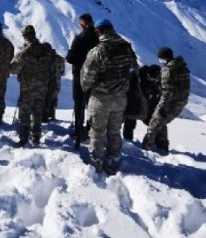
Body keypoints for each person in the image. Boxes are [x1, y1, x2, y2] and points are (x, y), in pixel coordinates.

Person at [81, 19, 137, 174]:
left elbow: (86, 79)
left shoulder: (98, 51)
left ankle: (96, 162)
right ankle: (113, 159)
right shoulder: (126, 47)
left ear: (99, 32)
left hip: (101, 99)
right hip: (120, 99)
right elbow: (134, 68)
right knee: (114, 130)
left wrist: (88, 88)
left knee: (97, 132)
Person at [142, 47, 190, 156]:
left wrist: (162, 107)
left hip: (170, 102)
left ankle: (146, 150)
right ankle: (163, 148)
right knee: (161, 123)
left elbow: (167, 92)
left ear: (164, 58)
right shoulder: (182, 67)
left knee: (153, 124)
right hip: (181, 101)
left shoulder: (168, 71)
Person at [10, 25, 52, 146]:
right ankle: (36, 136)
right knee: (38, 111)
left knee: (25, 111)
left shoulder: (24, 53)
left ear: (24, 36)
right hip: (42, 86)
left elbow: (14, 69)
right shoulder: (46, 50)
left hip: (27, 86)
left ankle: (24, 137)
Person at [66, 14, 99, 149]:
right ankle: (91, 129)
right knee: (92, 105)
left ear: (82, 24)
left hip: (80, 75)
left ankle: (78, 130)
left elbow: (70, 58)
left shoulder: (79, 38)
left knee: (79, 103)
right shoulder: (99, 39)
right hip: (96, 78)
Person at [122, 65, 161, 140]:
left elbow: (155, 90)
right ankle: (126, 140)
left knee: (151, 122)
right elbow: (126, 87)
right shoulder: (136, 75)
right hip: (131, 101)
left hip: (143, 104)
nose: (152, 80)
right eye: (151, 78)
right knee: (127, 120)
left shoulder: (155, 80)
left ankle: (155, 142)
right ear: (147, 73)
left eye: (154, 79)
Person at [43, 43, 65, 122]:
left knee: (46, 100)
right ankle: (52, 116)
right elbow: (62, 72)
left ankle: (44, 117)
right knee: (54, 99)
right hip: (57, 83)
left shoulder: (45, 59)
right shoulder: (60, 59)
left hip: (47, 83)